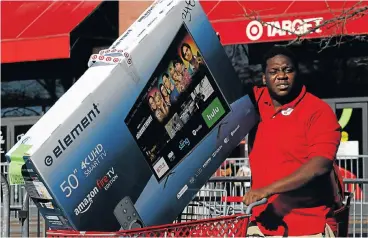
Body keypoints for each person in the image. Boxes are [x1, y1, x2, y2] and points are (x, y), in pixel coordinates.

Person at [243, 46, 341, 237]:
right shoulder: (256, 101)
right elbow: (225, 87)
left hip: (308, 226)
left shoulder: (318, 111)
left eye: (288, 70)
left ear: (297, 73)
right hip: (262, 225)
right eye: (274, 71)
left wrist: (268, 190)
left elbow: (319, 166)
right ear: (264, 78)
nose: (281, 76)